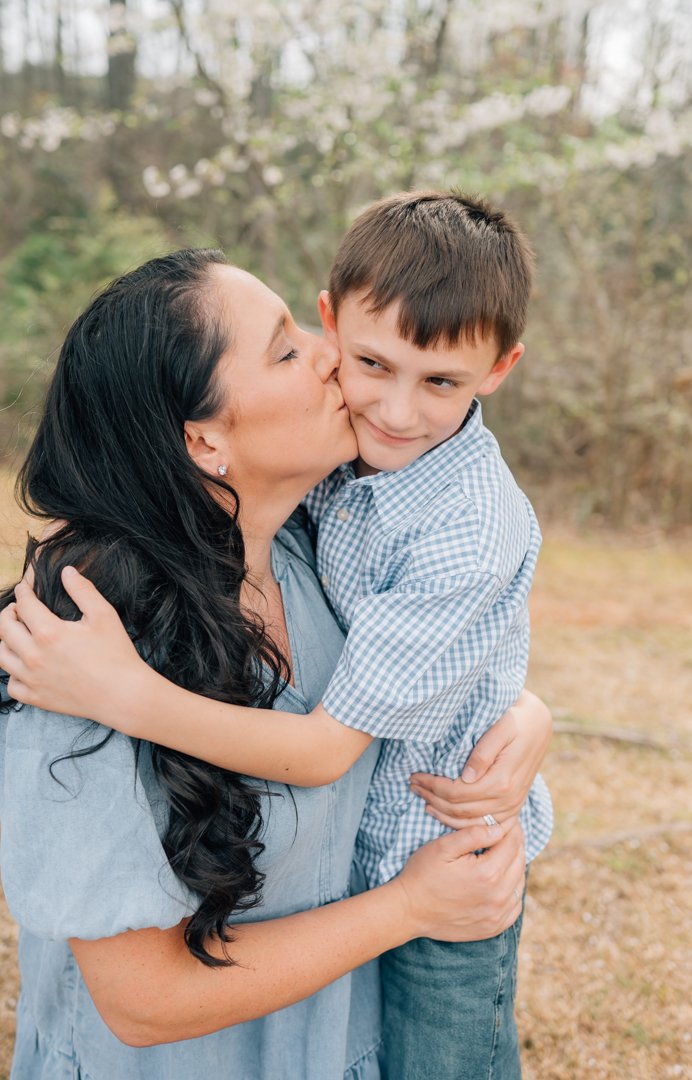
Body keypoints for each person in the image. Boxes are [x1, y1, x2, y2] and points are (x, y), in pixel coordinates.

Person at [2, 193, 552, 1079]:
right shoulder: (82, 641)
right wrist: (410, 907)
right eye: (290, 348)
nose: (334, 357)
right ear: (205, 440)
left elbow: (418, 656)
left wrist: (523, 715)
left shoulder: (307, 547)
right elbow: (144, 1002)